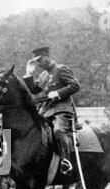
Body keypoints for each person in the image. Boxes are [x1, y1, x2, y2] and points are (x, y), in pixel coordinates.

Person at [23, 46, 80, 174]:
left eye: (40, 60)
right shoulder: (43, 75)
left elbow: (75, 85)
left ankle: (66, 162)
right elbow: (34, 90)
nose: (38, 63)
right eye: (36, 61)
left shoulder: (60, 69)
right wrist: (29, 74)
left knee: (58, 131)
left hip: (61, 110)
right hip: (45, 111)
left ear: (47, 56)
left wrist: (57, 93)